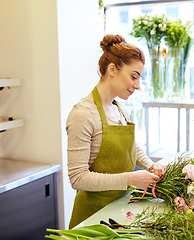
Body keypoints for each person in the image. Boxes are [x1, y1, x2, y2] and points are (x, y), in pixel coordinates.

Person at [67, 34, 166, 229]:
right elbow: (77, 178)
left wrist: (149, 165)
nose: (137, 86)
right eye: (133, 77)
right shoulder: (83, 114)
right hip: (93, 217)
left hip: (119, 210)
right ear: (112, 69)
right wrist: (130, 179)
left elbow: (132, 148)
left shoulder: (120, 109)